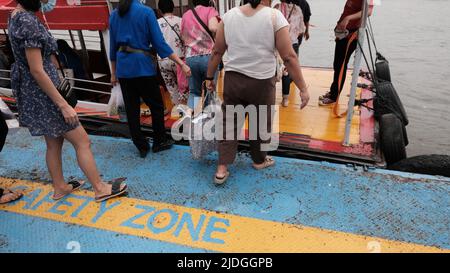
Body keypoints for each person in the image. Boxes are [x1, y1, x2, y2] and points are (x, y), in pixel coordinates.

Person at [8, 0, 127, 202]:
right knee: (83, 141)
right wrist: (63, 105)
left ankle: (60, 187)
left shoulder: (15, 16)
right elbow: (37, 69)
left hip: (34, 92)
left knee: (54, 143)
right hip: (46, 95)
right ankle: (100, 188)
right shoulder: (28, 21)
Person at [206, 0, 310, 185]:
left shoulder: (229, 17)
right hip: (262, 82)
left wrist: (208, 78)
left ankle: (222, 168)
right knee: (261, 122)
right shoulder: (274, 16)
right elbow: (288, 56)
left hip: (233, 80)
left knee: (229, 122)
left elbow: (217, 52)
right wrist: (303, 88)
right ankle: (259, 160)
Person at [109, 0, 191, 158]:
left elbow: (112, 47)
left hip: (123, 69)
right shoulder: (146, 12)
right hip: (142, 67)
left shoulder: (114, 15)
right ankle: (159, 141)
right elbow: (159, 44)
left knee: (132, 109)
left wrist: (113, 73)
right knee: (156, 106)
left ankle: (141, 145)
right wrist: (181, 63)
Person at [319, 0, 374, 106]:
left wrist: (347, 18)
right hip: (343, 32)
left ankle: (334, 96)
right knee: (337, 64)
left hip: (351, 35)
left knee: (341, 65)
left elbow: (369, 11)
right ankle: (333, 91)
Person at [181, 0, 219, 109]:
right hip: (208, 58)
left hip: (191, 58)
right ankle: (208, 122)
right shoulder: (210, 10)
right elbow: (213, 27)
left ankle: (192, 122)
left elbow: (183, 36)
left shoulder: (185, 15)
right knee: (210, 91)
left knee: (194, 92)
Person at [275, 0, 305, 107]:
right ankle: (285, 99)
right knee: (288, 71)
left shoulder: (276, 8)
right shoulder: (298, 9)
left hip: (278, 44)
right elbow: (301, 30)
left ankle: (270, 95)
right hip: (292, 43)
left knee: (275, 69)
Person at [157, 0, 186, 105]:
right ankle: (187, 113)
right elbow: (186, 39)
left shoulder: (156, 23)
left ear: (160, 10)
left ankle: (177, 111)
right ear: (173, 8)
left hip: (163, 60)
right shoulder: (181, 21)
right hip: (180, 59)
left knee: (172, 89)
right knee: (184, 88)